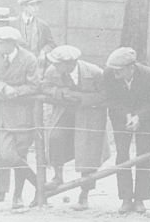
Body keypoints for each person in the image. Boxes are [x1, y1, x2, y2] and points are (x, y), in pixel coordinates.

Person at [43, 45, 108, 209]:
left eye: (58, 63)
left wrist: (81, 98)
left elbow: (105, 95)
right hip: (65, 112)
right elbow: (44, 86)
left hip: (89, 116)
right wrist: (61, 93)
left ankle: (84, 196)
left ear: (70, 63)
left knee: (88, 153)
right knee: (55, 137)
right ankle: (58, 176)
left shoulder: (95, 72)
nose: (55, 66)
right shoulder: (52, 71)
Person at [103, 47, 150, 214]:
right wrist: (127, 115)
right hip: (121, 117)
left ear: (131, 68)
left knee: (144, 155)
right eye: (113, 70)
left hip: (146, 118)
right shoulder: (109, 74)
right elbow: (111, 100)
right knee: (122, 154)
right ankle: (126, 198)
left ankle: (140, 198)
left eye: (119, 71)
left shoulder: (149, 75)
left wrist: (139, 117)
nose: (115, 74)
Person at [0, 26, 41, 207]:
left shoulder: (29, 59)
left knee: (20, 155)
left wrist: (15, 91)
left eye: (1, 43)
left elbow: (35, 86)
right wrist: (1, 86)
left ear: (11, 43)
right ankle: (40, 185)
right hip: (0, 115)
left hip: (23, 116)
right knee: (6, 154)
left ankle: (18, 196)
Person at [16, 0, 56, 64]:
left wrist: (43, 52)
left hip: (36, 62)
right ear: (24, 7)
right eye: (32, 5)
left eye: (37, 5)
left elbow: (51, 44)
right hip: (18, 63)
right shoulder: (14, 23)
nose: (36, 8)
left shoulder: (43, 25)